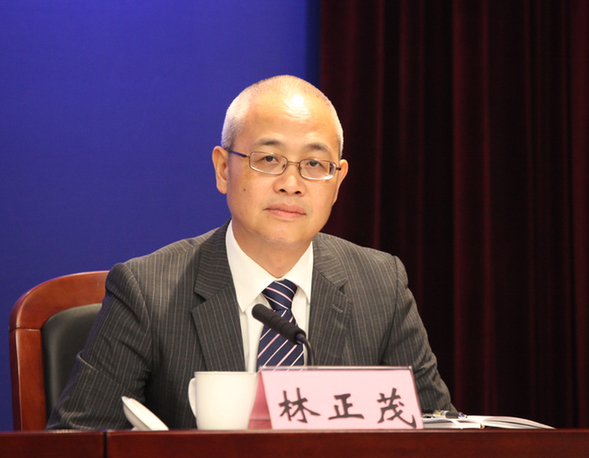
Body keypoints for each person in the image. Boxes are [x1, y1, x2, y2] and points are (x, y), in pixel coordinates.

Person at [47, 75, 453, 430]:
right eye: (269, 159)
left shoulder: (381, 286)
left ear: (338, 181)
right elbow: (77, 442)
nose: (291, 183)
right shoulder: (147, 291)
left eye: (314, 164)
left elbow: (441, 431)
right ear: (224, 168)